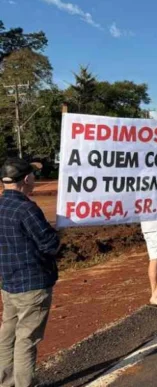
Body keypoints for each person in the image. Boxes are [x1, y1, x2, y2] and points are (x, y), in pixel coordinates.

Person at [0, 158, 59, 387]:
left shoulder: (3, 206)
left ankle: (6, 382)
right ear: (26, 179)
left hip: (9, 283)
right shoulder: (26, 208)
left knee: (8, 335)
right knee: (27, 339)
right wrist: (58, 233)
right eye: (33, 175)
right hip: (32, 284)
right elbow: (50, 244)